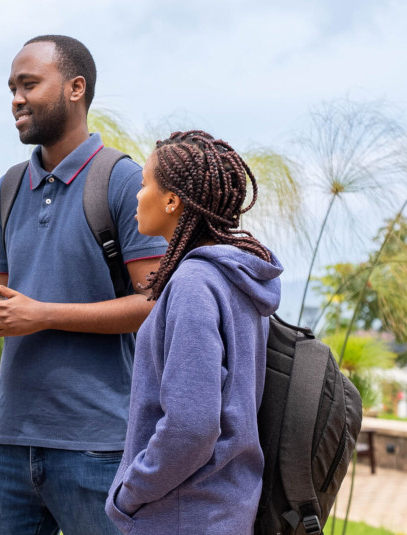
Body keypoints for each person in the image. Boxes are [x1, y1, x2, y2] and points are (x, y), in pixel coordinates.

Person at [0, 35, 167, 535]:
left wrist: (43, 314)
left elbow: (155, 303)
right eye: (12, 87)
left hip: (99, 444)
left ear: (76, 88)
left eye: (29, 84)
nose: (16, 98)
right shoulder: (8, 188)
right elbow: (13, 300)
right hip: (8, 440)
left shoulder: (121, 180)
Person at [104, 130, 282, 534]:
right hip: (221, 509)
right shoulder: (234, 279)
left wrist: (129, 493)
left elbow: (191, 427)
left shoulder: (193, 284)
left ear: (172, 200)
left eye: (145, 184)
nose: (136, 195)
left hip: (183, 515)